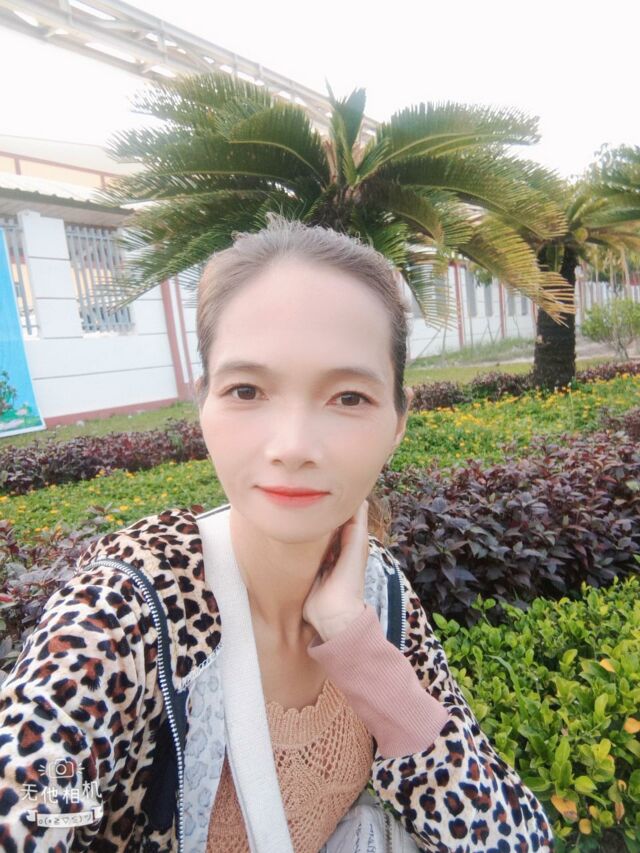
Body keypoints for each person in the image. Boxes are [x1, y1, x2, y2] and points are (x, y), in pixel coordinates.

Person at [0, 214, 555, 852]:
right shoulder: (123, 612)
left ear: (399, 422)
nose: (293, 446)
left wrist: (353, 642)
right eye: (247, 390)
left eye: (349, 397)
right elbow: (28, 798)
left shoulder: (378, 593)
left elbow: (508, 837)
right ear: (203, 404)